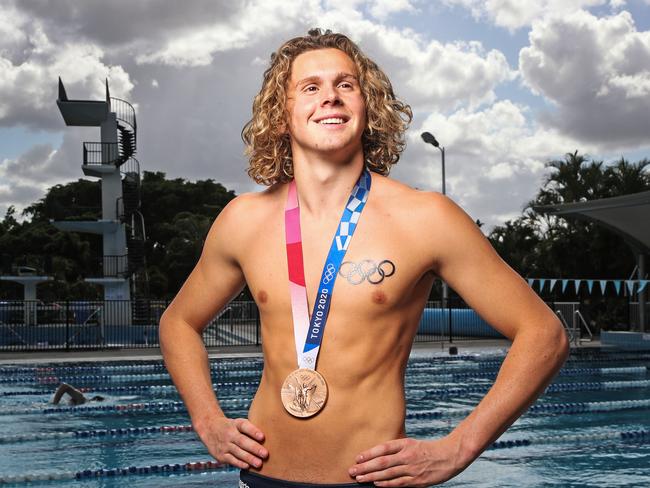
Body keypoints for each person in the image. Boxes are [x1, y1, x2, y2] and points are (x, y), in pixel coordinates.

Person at [159, 29, 569, 487]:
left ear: (367, 107)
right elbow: (178, 322)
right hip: (260, 478)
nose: (330, 97)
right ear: (281, 116)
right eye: (310, 87)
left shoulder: (425, 218)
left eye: (346, 85)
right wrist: (209, 421)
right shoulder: (243, 220)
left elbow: (544, 333)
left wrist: (459, 447)